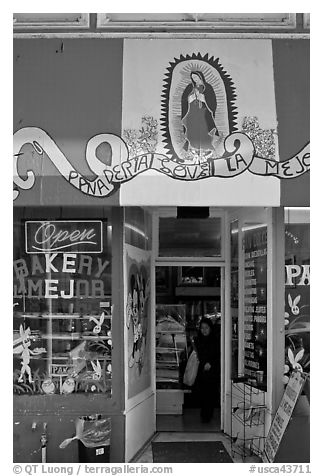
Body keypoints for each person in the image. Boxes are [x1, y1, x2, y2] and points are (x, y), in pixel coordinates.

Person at [181, 71, 219, 153]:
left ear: (200, 76)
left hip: (203, 112)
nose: (195, 79)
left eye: (196, 77)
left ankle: (206, 147)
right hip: (192, 112)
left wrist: (204, 99)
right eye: (193, 78)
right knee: (191, 128)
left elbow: (212, 101)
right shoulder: (189, 87)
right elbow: (184, 100)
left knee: (203, 127)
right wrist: (190, 99)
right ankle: (191, 146)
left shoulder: (208, 87)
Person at [193, 317, 220, 422]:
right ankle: (204, 414)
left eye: (206, 328)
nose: (204, 330)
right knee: (202, 394)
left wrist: (211, 363)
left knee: (210, 394)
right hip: (201, 372)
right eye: (202, 328)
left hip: (212, 373)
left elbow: (218, 356)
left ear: (210, 328)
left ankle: (207, 415)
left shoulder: (215, 340)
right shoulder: (198, 340)